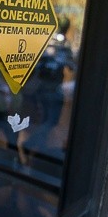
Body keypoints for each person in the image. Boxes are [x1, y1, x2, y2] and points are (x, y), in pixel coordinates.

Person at [25, 17, 77, 157]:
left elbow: (70, 65)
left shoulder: (53, 42)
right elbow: (71, 66)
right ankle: (30, 144)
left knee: (46, 120)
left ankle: (39, 147)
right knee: (51, 121)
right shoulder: (57, 44)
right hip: (50, 89)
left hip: (46, 88)